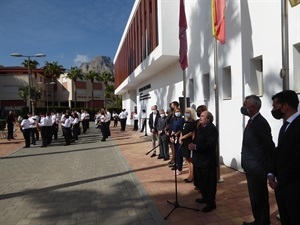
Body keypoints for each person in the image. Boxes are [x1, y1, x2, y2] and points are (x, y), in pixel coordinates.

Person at [240, 95, 275, 225]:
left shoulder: (260, 123)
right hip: (251, 167)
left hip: (258, 168)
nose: (243, 108)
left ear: (253, 107)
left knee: (260, 197)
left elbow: (269, 147)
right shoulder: (252, 121)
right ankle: (258, 220)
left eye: (245, 105)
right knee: (254, 197)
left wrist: (269, 169)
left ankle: (263, 222)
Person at [268, 90, 300, 225]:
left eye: (275, 106)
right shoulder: (285, 126)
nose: (273, 110)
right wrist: (271, 173)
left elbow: (297, 160)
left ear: (285, 106)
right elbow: (279, 152)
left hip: (294, 188)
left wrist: (279, 179)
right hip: (282, 187)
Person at [188, 111, 218, 212]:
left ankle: (211, 203)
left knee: (209, 183)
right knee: (201, 182)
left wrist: (195, 147)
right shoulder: (200, 127)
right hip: (198, 160)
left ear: (208, 119)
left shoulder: (212, 129)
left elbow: (209, 145)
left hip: (207, 161)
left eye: (202, 116)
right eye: (200, 116)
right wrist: (192, 144)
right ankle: (204, 197)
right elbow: (196, 139)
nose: (200, 118)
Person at [179, 107, 197, 183]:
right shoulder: (185, 122)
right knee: (186, 159)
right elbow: (182, 131)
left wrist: (182, 137)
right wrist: (180, 138)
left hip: (188, 142)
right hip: (183, 142)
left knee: (190, 160)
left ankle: (192, 175)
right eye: (185, 112)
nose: (186, 114)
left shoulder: (193, 122)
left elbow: (191, 133)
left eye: (188, 112)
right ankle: (189, 174)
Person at [169, 108, 185, 175]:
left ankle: (180, 168)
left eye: (178, 111)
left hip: (179, 138)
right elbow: (172, 128)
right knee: (176, 153)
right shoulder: (174, 120)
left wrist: (177, 133)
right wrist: (171, 136)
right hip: (174, 138)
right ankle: (177, 165)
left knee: (179, 153)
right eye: (176, 112)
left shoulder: (182, 120)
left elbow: (182, 129)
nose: (177, 113)